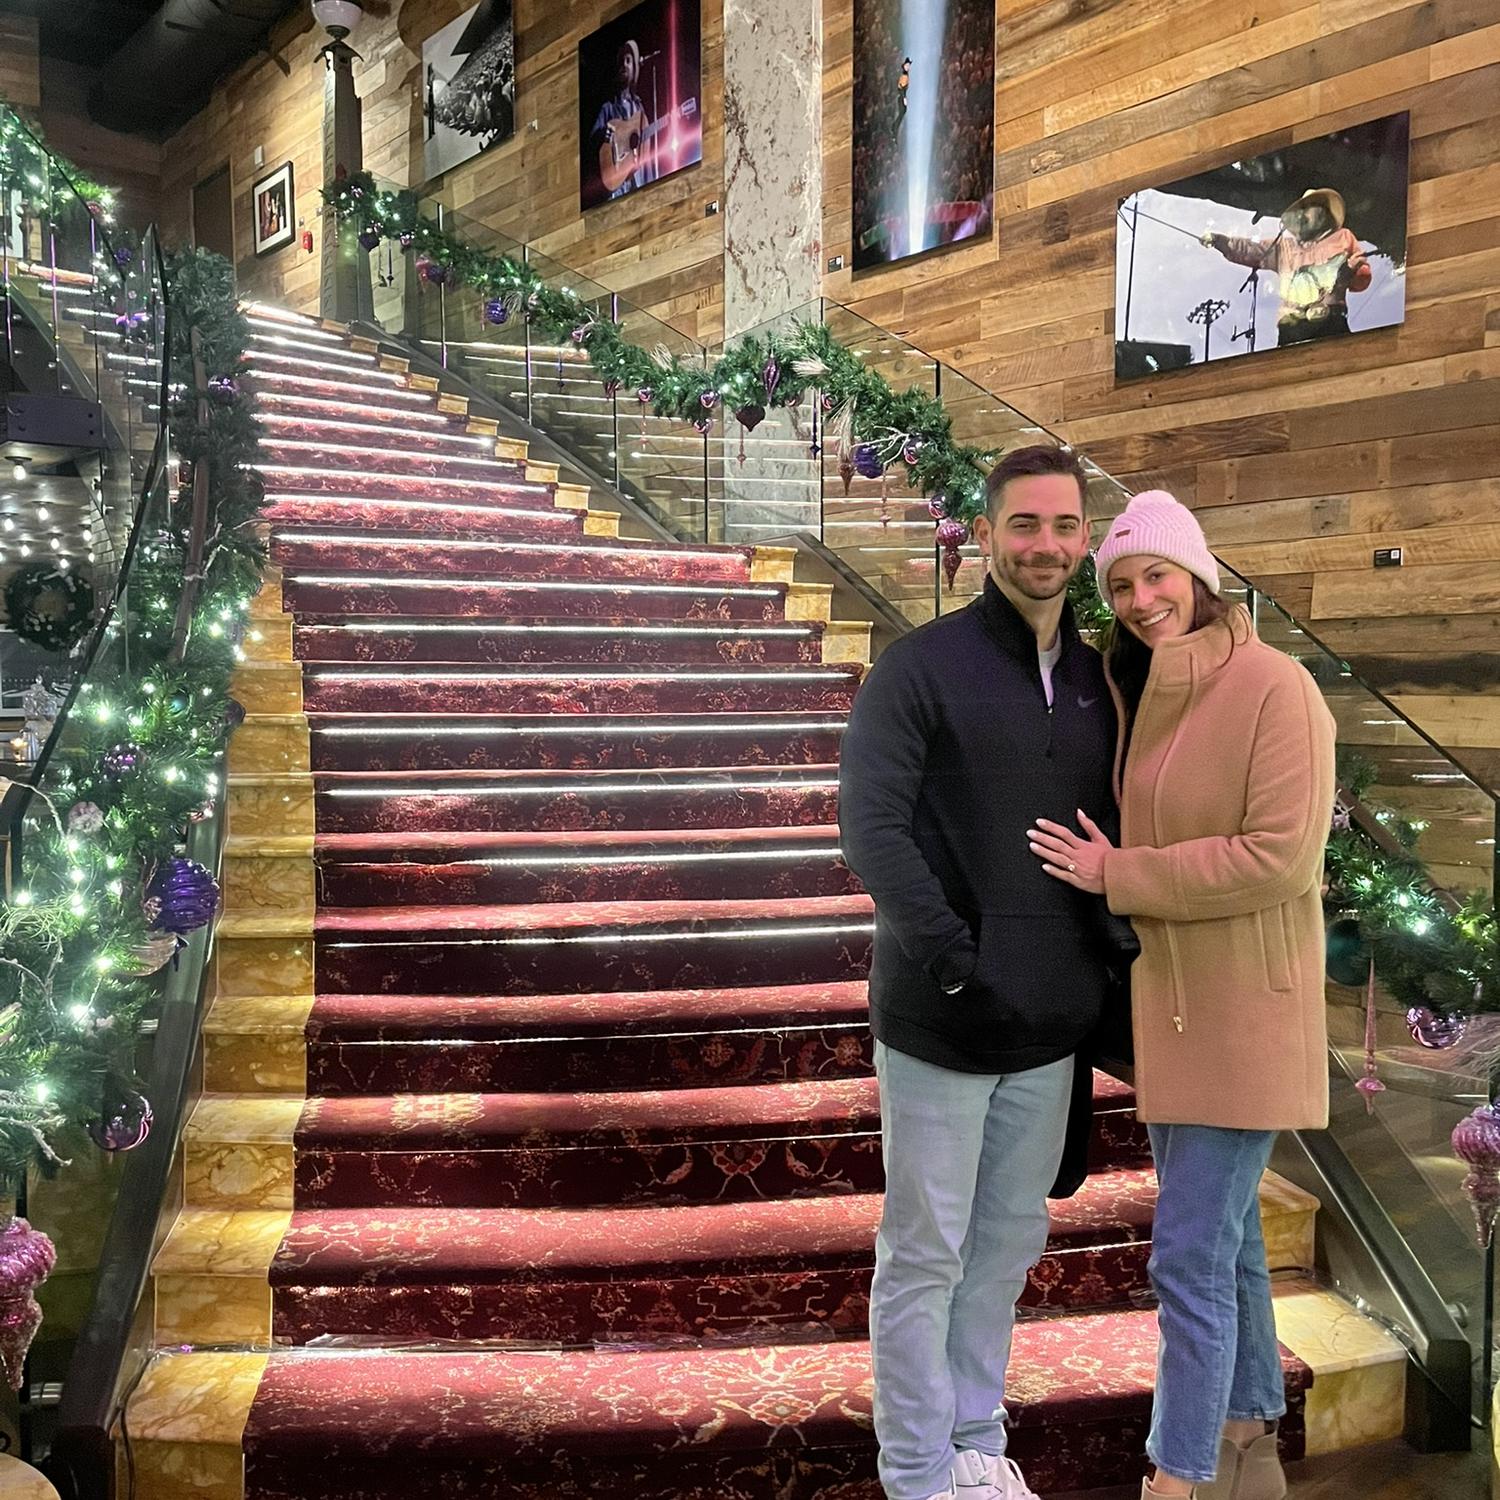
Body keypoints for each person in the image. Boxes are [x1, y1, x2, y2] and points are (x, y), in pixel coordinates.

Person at [1025, 490, 1336, 1500]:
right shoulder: (1145, 687)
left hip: (1244, 1016)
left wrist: (1118, 873)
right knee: (1229, 1246)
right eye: (1120, 586)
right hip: (1172, 1013)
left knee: (1187, 1257)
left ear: (1198, 574)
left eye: (1155, 575)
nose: (1140, 599)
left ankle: (1177, 1474)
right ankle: (1247, 1445)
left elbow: (1279, 858)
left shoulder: (1276, 687)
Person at [839, 445, 1119, 1500]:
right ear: (987, 532)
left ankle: (973, 1441)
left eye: (1064, 525)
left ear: (1085, 539)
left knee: (1004, 1248)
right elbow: (870, 830)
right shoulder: (920, 666)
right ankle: (917, 1473)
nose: (1045, 545)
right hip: (942, 1021)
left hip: (1051, 1030)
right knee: (925, 1254)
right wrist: (958, 962)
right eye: (1025, 524)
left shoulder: (1101, 682)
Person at [1200, 187, 1372, 347]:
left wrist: (1351, 272)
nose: (1304, 214)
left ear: (1325, 213)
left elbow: (1362, 277)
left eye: (1311, 207)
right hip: (1291, 324)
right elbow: (1250, 249)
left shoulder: (1343, 237)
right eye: (1302, 209)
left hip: (1330, 317)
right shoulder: (1284, 247)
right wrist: (1219, 241)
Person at [589, 38, 655, 200]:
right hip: (615, 186)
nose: (624, 65)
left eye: (628, 61)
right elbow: (593, 140)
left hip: (637, 183)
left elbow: (644, 148)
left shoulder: (639, 109)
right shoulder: (608, 108)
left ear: (635, 68)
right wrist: (608, 136)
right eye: (621, 62)